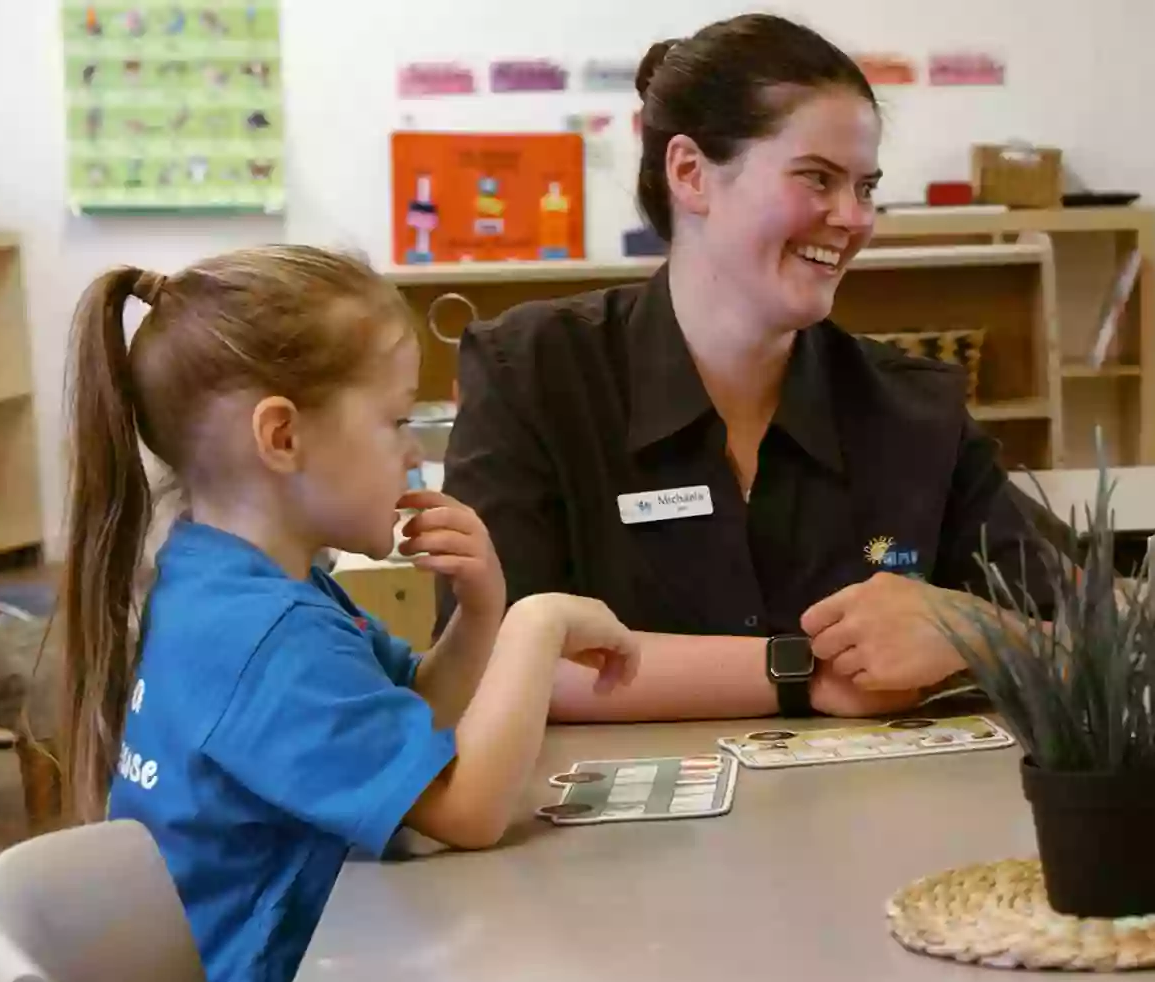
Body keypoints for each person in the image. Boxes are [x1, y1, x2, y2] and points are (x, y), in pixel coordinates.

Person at [55, 247, 643, 982]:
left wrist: (482, 611)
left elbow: (413, 725)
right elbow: (462, 812)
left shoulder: (234, 585)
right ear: (281, 438)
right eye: (396, 418)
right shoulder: (261, 639)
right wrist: (539, 620)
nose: (412, 451)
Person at [442, 13, 1054, 724]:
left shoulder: (912, 409)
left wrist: (971, 628)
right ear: (690, 173)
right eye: (817, 179)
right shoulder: (534, 372)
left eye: (865, 187)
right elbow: (489, 660)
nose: (853, 218)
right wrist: (802, 673)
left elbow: (1088, 637)